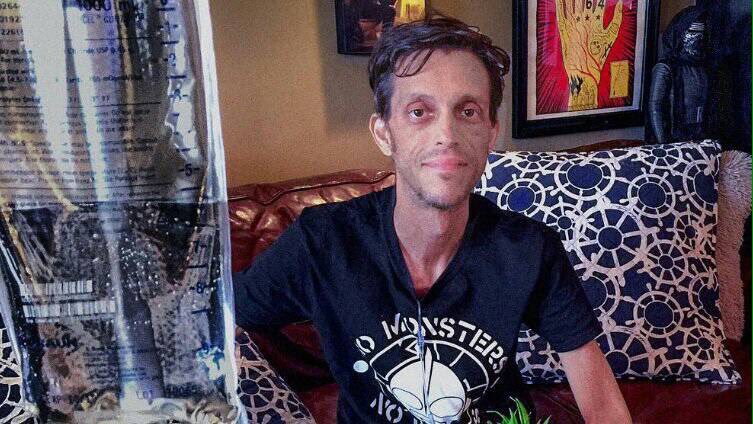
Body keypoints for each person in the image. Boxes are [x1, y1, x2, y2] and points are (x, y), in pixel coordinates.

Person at [234, 15, 632, 424]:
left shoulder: (529, 249)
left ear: (491, 133)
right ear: (384, 133)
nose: (447, 134)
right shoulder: (322, 243)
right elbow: (216, 317)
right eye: (419, 111)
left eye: (468, 111)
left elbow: (602, 404)